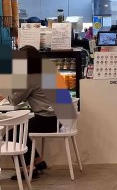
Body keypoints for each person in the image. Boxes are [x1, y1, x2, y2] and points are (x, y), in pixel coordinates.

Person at [0, 45, 74, 179]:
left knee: (11, 134)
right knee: (22, 129)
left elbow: (15, 100)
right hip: (59, 119)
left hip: (47, 120)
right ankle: (38, 161)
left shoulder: (30, 78)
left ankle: (28, 168)